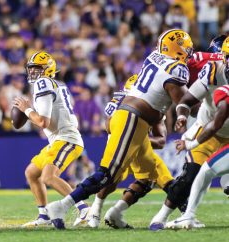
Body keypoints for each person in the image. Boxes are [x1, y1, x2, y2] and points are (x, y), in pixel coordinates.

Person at [46, 29, 193, 229]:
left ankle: (115, 214)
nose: (189, 52)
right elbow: (186, 102)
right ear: (178, 49)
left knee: (149, 176)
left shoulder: (155, 58)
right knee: (107, 174)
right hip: (132, 119)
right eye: (186, 48)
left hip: (132, 120)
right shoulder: (176, 69)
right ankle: (62, 206)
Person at [150, 35, 229, 231]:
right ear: (223, 56)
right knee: (190, 175)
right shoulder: (212, 69)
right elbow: (186, 100)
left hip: (220, 131)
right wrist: (182, 116)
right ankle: (162, 216)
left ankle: (187, 216)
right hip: (206, 129)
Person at [86, 75, 174, 229]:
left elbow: (160, 141)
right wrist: (133, 136)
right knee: (111, 179)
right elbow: (109, 127)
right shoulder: (127, 103)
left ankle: (111, 212)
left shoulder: (153, 107)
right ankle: (96, 211)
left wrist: (138, 139)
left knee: (148, 180)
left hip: (138, 147)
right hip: (123, 145)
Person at [13, 51, 89, 227]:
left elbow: (42, 122)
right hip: (58, 139)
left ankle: (84, 208)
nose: (33, 72)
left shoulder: (43, 83)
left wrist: (26, 110)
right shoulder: (55, 84)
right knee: (32, 172)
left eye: (37, 69)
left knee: (48, 177)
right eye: (31, 69)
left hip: (66, 139)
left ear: (48, 69)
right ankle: (44, 216)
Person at [166, 84, 229, 229]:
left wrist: (190, 144)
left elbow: (215, 125)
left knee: (206, 170)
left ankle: (188, 216)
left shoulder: (224, 92)